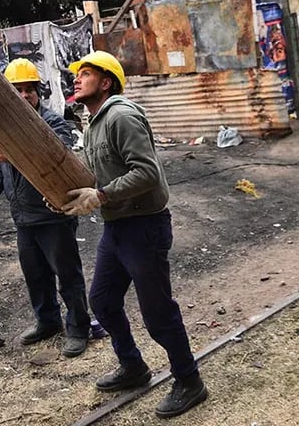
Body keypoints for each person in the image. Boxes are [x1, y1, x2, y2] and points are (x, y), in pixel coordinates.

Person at [60, 51, 208, 418]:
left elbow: (147, 173)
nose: (77, 79)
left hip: (145, 227)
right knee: (104, 302)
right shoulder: (93, 122)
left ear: (106, 82)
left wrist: (102, 195)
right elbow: (101, 172)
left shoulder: (121, 116)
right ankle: (133, 367)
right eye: (77, 74)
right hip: (118, 227)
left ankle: (190, 381)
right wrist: (71, 195)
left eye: (87, 74)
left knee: (157, 312)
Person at [0, 58, 92, 358]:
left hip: (52, 214)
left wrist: (12, 153)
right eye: (16, 90)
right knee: (36, 274)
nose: (24, 96)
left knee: (67, 274)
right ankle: (47, 322)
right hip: (23, 217)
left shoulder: (54, 122)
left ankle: (79, 328)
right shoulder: (1, 127)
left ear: (37, 93)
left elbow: (53, 156)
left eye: (29, 90)